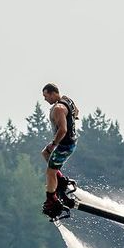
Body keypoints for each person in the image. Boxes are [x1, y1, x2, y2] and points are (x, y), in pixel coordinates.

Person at [40, 83, 79, 218]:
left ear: (52, 93)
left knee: (50, 172)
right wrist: (71, 118)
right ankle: (61, 181)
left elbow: (63, 130)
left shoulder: (58, 108)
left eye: (46, 96)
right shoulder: (67, 100)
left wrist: (53, 144)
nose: (45, 99)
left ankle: (52, 199)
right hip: (69, 142)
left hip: (64, 145)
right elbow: (76, 112)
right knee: (45, 153)